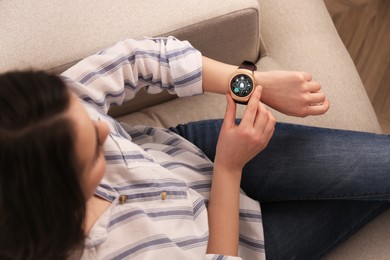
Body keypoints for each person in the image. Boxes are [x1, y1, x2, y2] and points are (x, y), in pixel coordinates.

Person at [0, 36, 389, 260]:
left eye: (90, 122)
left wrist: (252, 84)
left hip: (194, 153)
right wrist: (229, 168)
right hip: (249, 241)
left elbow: (138, 59)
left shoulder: (32, 118)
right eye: (94, 155)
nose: (104, 133)